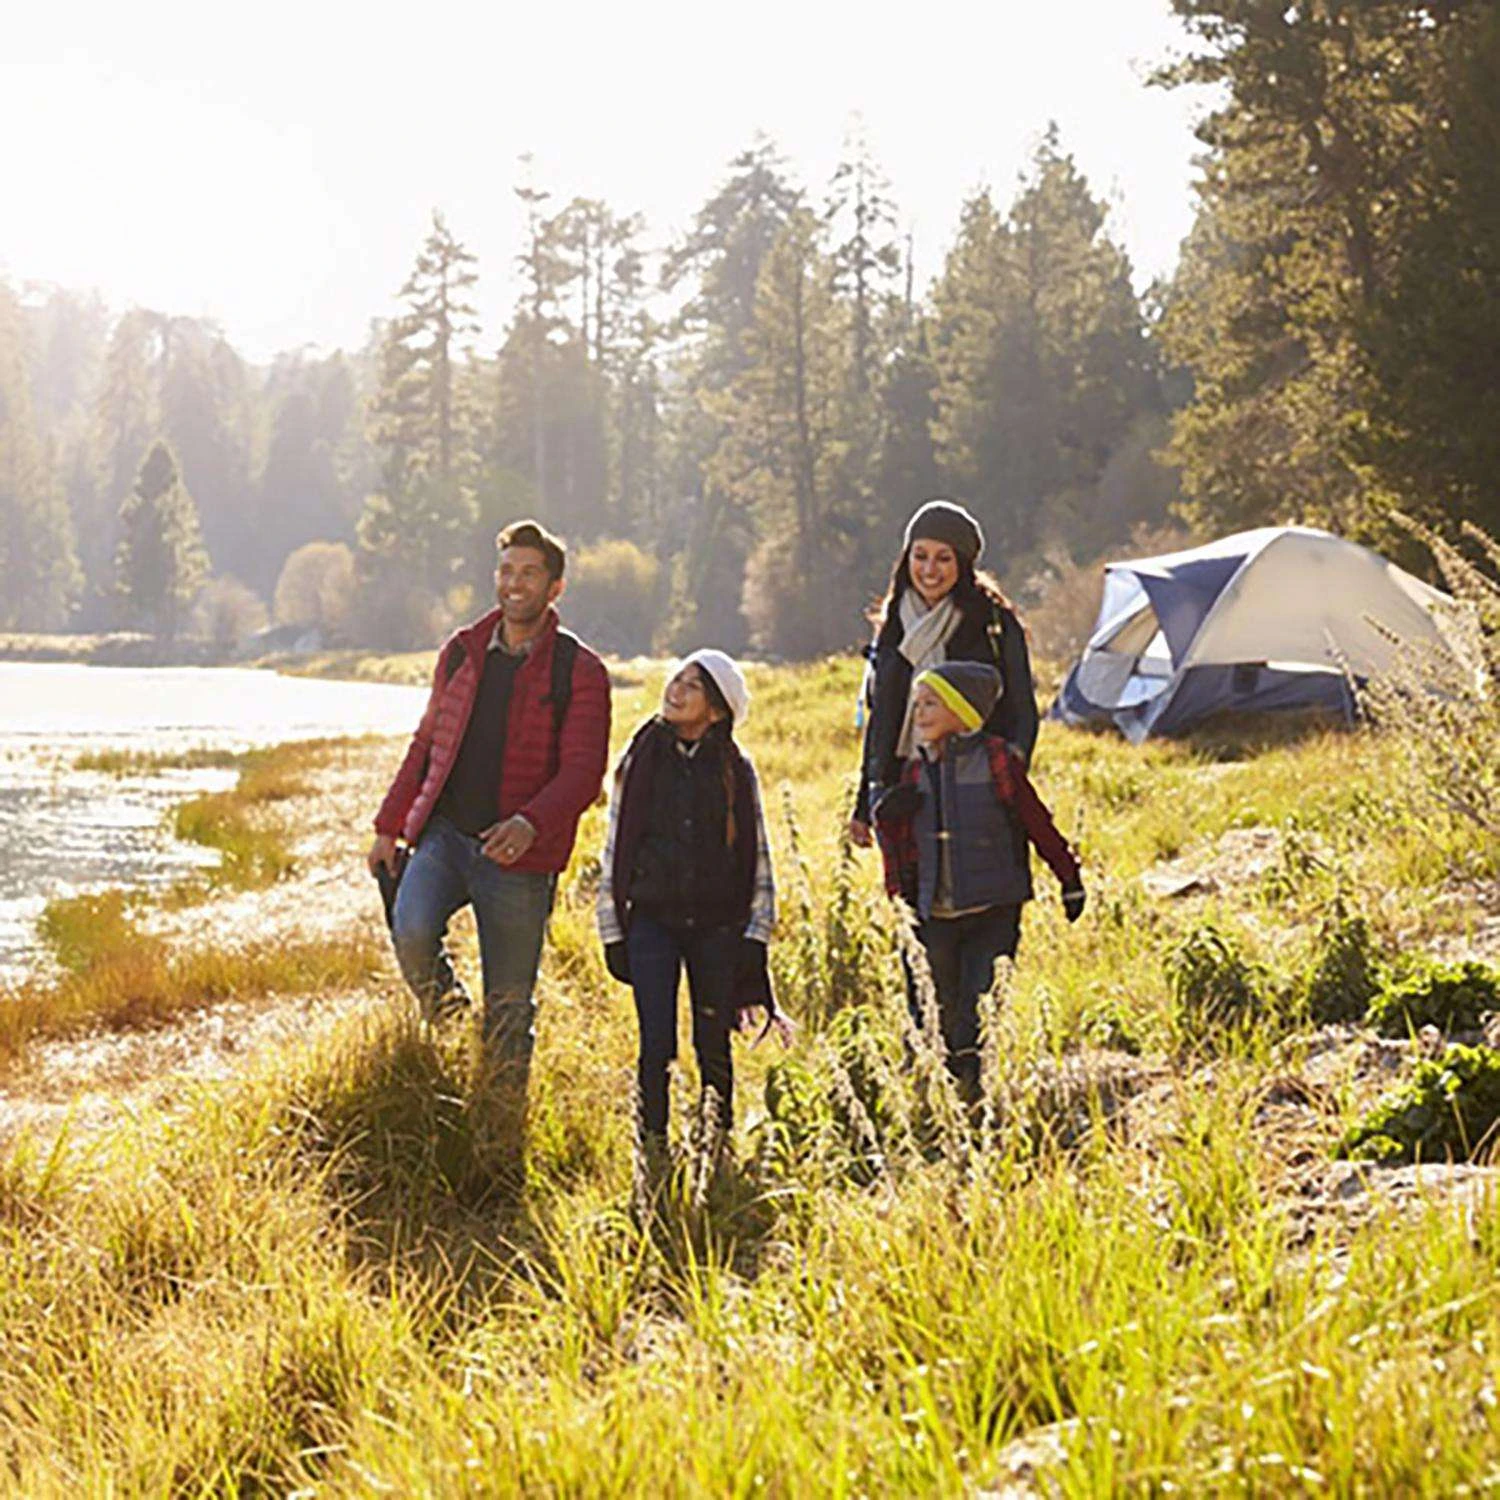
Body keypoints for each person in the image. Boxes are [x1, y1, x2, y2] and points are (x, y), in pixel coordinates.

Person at [366, 519, 611, 1151]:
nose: (514, 583)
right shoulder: (461, 652)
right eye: (506, 571)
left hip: (522, 858)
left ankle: (498, 1134)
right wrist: (390, 826)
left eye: (529, 573)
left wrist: (530, 824)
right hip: (446, 837)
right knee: (412, 930)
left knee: (511, 1004)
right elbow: (428, 742)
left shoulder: (579, 671)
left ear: (554, 587)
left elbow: (584, 772)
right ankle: (449, 1020)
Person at [596, 649, 784, 1159]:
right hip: (652, 921)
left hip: (718, 925)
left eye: (692, 686)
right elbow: (614, 846)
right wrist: (613, 930)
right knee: (656, 1042)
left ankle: (714, 1143)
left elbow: (759, 854)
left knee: (713, 1043)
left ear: (717, 710)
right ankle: (652, 1147)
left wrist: (756, 934)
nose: (675, 689)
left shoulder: (735, 770)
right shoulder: (641, 758)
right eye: (676, 679)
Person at [872, 661, 1083, 1104]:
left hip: (995, 908)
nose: (919, 714)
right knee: (941, 1002)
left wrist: (1068, 875)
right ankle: (948, 1088)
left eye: (931, 703)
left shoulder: (996, 760)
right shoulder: (915, 770)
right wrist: (888, 822)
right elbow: (899, 846)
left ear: (962, 710)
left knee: (981, 999)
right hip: (936, 910)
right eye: (916, 705)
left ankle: (976, 1086)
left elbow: (1035, 821)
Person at [850, 497, 1038, 849]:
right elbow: (881, 720)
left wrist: (1007, 777)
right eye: (920, 556)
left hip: (974, 788)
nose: (929, 570)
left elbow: (1023, 710)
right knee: (914, 896)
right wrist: (865, 802)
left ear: (963, 563)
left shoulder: (993, 623)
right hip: (903, 788)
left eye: (943, 558)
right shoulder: (892, 626)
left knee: (978, 892)